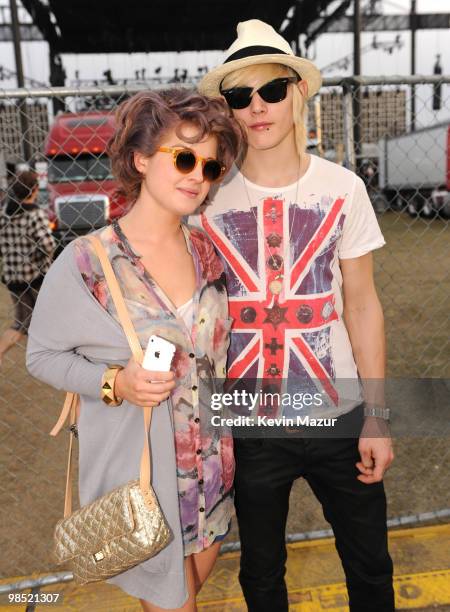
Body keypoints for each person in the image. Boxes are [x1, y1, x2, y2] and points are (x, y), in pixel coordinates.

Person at [191, 19, 395, 612]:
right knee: (260, 573)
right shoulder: (204, 199)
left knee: (370, 566)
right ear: (227, 109)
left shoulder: (344, 189)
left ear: (297, 94)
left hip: (341, 411)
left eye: (271, 91)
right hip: (249, 420)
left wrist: (378, 417)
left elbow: (362, 304)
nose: (256, 108)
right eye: (238, 96)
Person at [26, 89, 243, 611]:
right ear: (141, 158)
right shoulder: (89, 261)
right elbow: (43, 355)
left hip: (214, 469)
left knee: (188, 588)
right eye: (185, 157)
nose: (198, 175)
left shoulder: (208, 251)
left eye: (211, 167)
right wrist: (115, 383)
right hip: (146, 475)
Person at [0, 170, 55, 366]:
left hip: (14, 277)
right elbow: (48, 244)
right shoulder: (35, 214)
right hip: (35, 276)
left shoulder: (4, 214)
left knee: (23, 322)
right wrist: (40, 259)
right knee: (49, 315)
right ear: (34, 189)